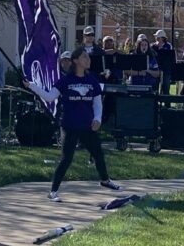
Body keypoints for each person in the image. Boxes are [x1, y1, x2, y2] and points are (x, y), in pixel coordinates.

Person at [27, 46, 123, 202]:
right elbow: (50, 97)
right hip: (69, 125)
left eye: (88, 57)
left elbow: (97, 103)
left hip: (87, 125)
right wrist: (32, 86)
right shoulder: (66, 80)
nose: (88, 60)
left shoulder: (92, 79)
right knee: (66, 159)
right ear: (76, 61)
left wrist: (97, 119)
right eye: (85, 57)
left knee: (98, 153)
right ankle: (53, 192)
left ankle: (105, 180)